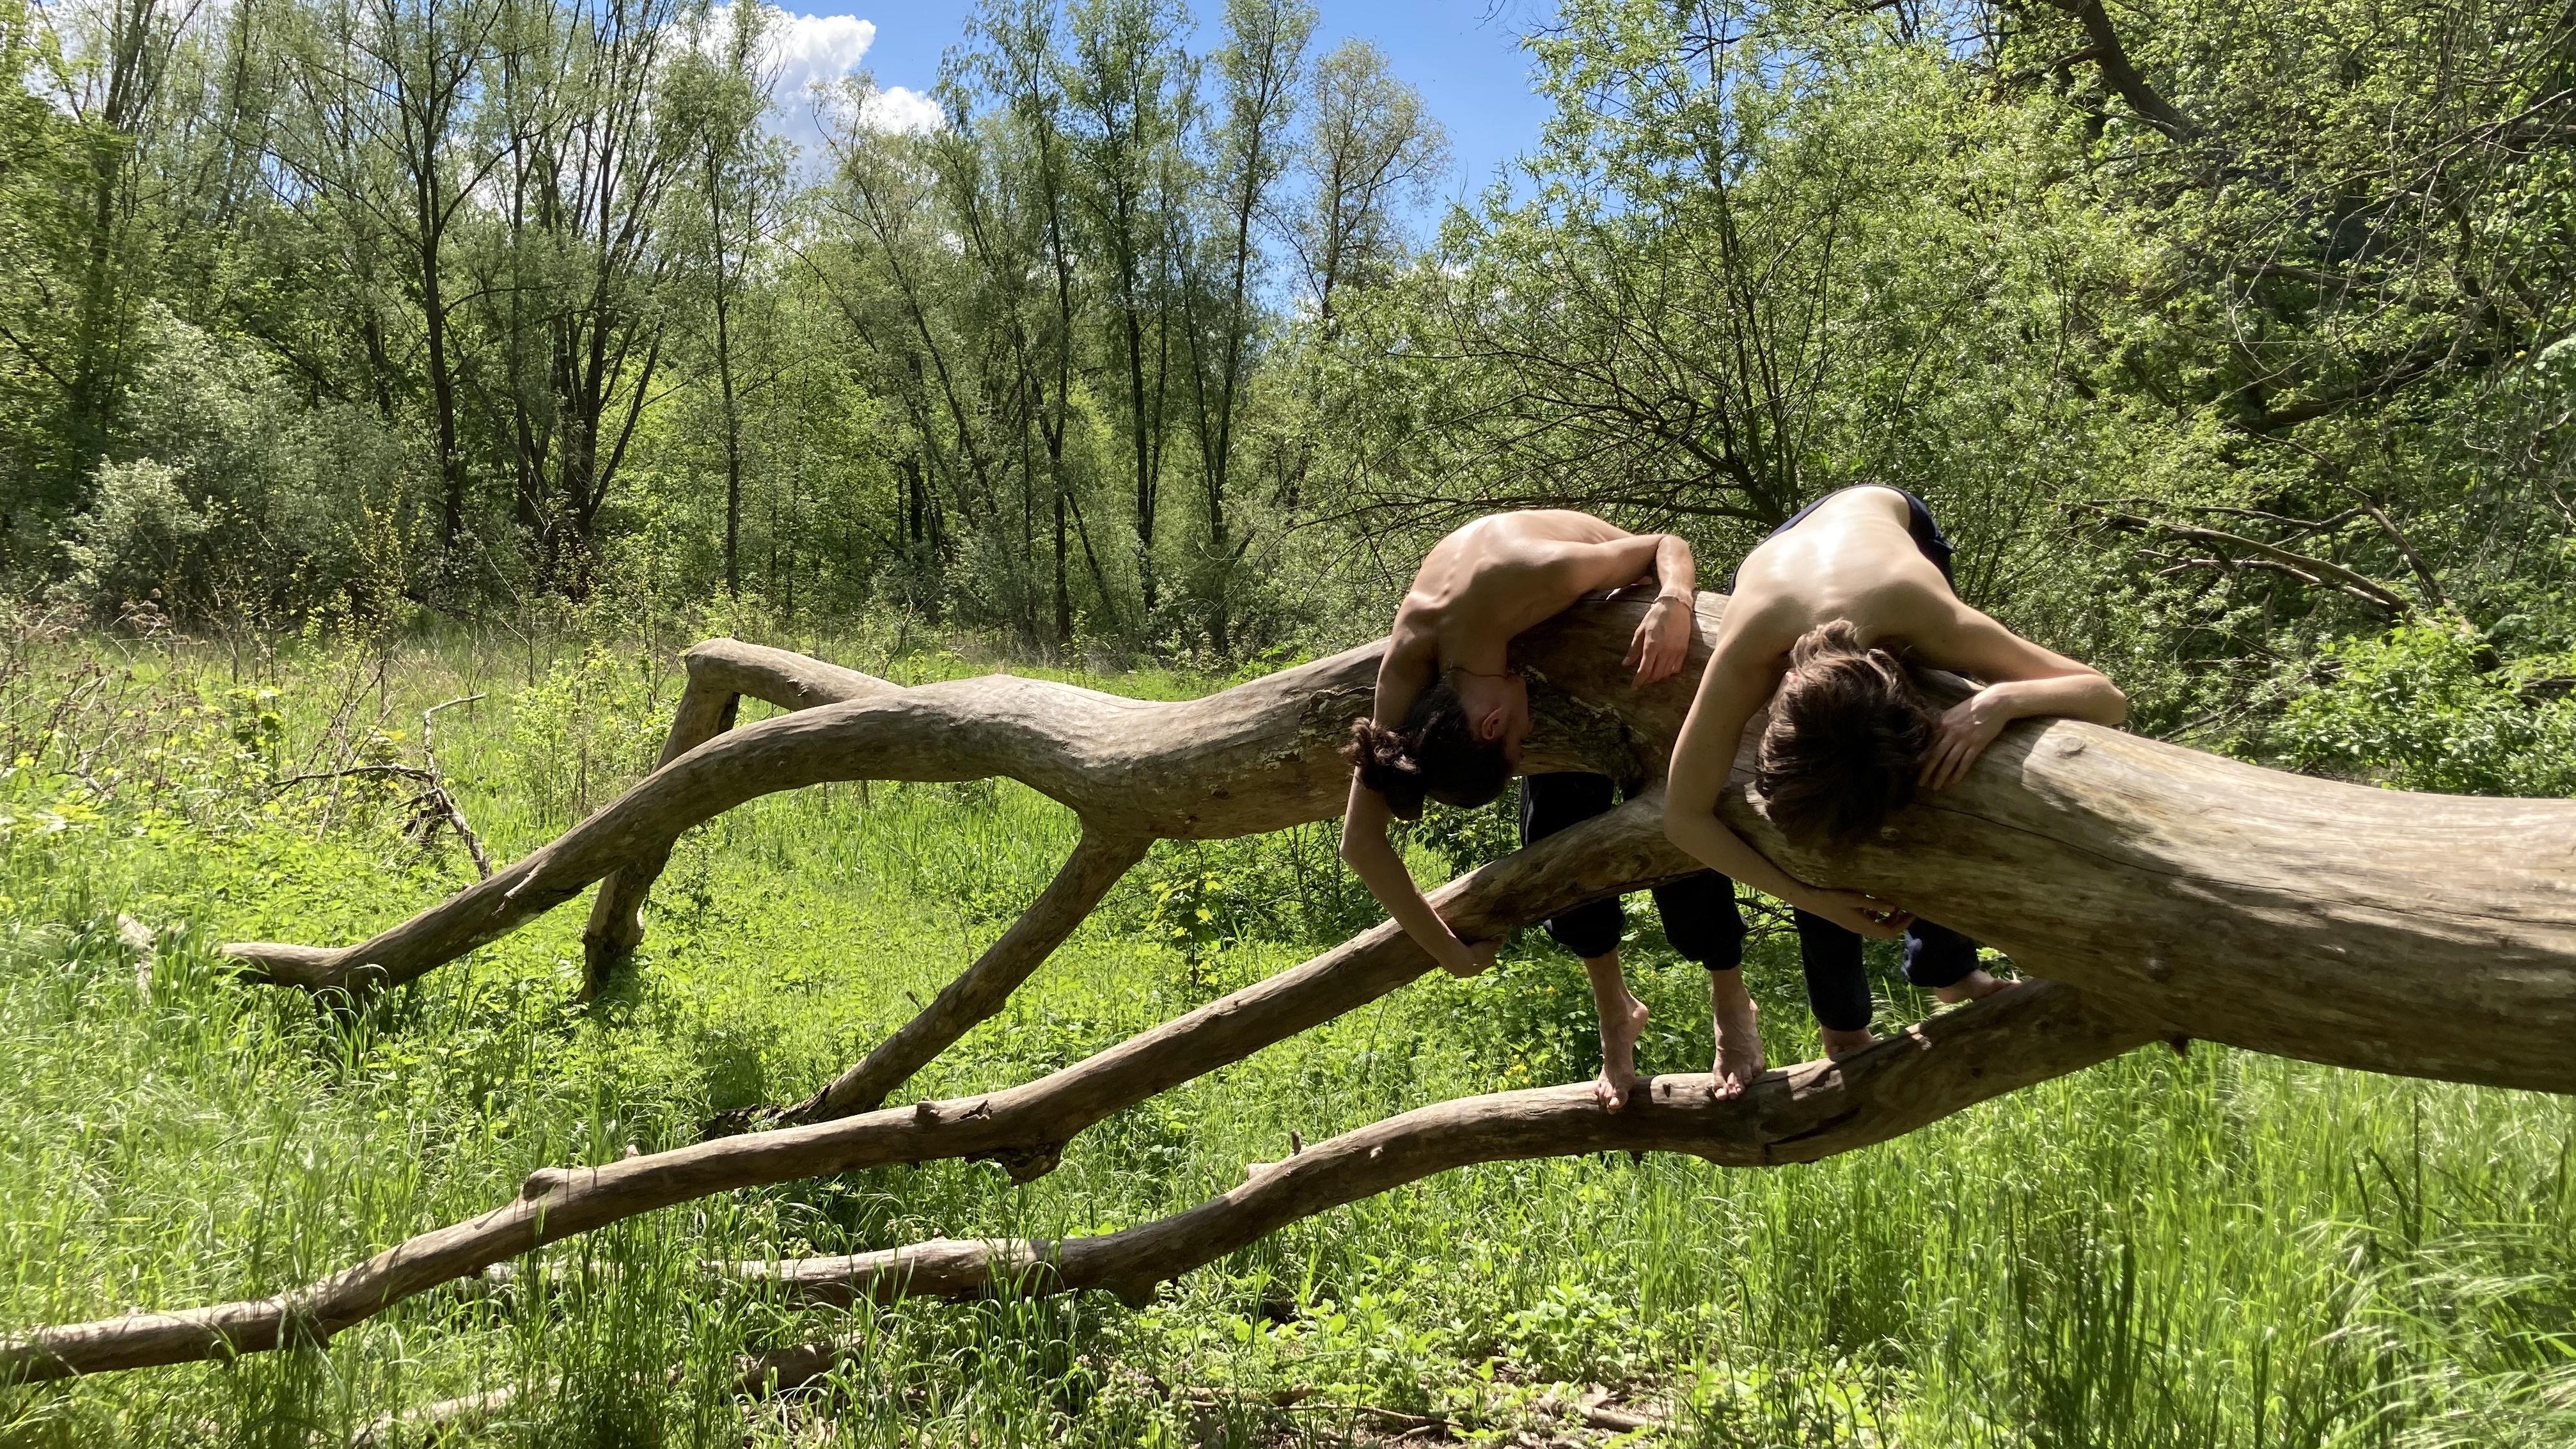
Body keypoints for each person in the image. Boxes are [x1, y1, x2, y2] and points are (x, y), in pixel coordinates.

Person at [1663, 484, 2128, 1098]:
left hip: (1889, 520)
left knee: (1941, 773)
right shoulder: (1751, 647)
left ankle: (1948, 968)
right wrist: (1812, 893)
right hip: (1778, 561)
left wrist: (2000, 700)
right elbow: (1682, 816)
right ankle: (1844, 1018)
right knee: (1823, 811)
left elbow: (2106, 695)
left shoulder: (1925, 615)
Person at [1340, 509, 1717, 1111]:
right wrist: (1451, 955)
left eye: (1519, 746)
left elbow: (1666, 543)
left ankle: (1729, 1003)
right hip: (1542, 650)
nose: (1530, 735)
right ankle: (1616, 1011)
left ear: (1492, 723)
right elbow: (1360, 841)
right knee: (1556, 842)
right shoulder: (1410, 661)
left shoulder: (1530, 575)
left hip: (1633, 638)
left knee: (1680, 819)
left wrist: (1675, 599)